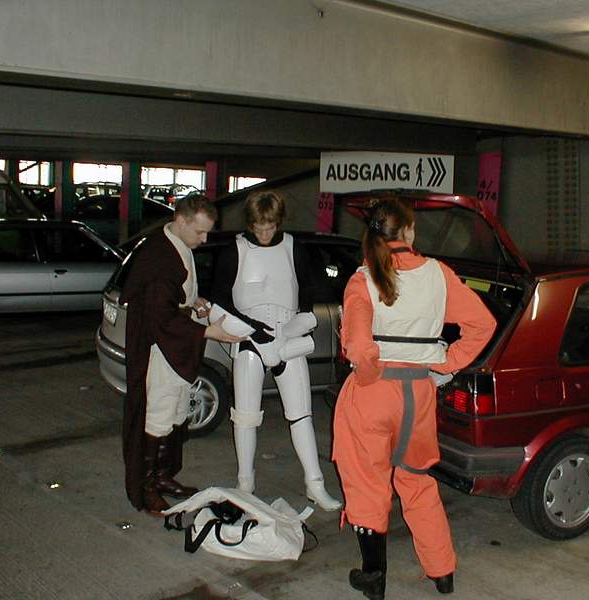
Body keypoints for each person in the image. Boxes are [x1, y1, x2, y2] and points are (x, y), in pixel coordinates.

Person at [333, 197, 496, 598]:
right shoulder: (439, 273)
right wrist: (445, 363)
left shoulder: (362, 279)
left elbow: (358, 348)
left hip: (373, 394)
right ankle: (442, 572)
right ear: (409, 231)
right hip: (418, 394)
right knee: (417, 480)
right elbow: (483, 324)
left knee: (367, 484)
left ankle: (374, 577)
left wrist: (370, 378)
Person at [211, 190, 341, 511]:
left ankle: (315, 483)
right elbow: (220, 299)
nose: (264, 232)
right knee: (245, 417)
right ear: (250, 223)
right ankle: (245, 484)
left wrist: (296, 327)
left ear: (278, 221)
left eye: (270, 226)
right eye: (258, 226)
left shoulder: (295, 248)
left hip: (287, 337)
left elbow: (310, 293)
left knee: (301, 414)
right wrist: (255, 332)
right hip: (249, 339)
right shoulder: (234, 250)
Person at [120, 194, 245, 516]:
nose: (204, 240)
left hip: (173, 342)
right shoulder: (159, 256)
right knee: (159, 414)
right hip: (160, 346)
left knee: (176, 411)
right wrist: (208, 332)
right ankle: (147, 487)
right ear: (180, 220)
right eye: (200, 232)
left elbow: (174, 295)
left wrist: (193, 301)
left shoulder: (177, 245)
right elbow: (159, 315)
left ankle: (162, 477)